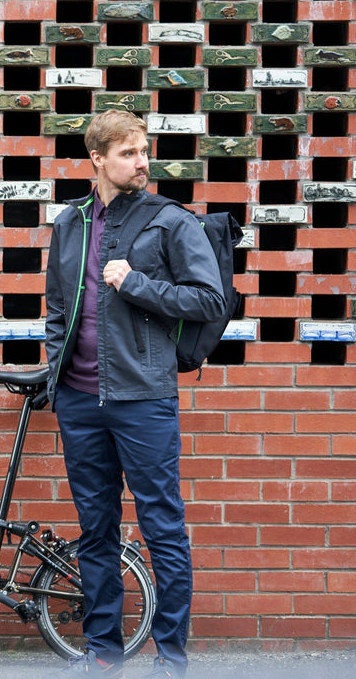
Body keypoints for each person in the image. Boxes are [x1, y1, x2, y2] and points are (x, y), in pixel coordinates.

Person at [44, 110, 226, 679]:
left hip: (144, 399)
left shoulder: (170, 222)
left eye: (145, 151)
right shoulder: (69, 224)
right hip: (79, 401)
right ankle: (104, 654)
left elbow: (210, 301)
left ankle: (171, 659)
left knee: (161, 526)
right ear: (97, 159)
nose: (142, 162)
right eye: (128, 153)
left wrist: (137, 283)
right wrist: (56, 366)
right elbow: (56, 307)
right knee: (95, 530)